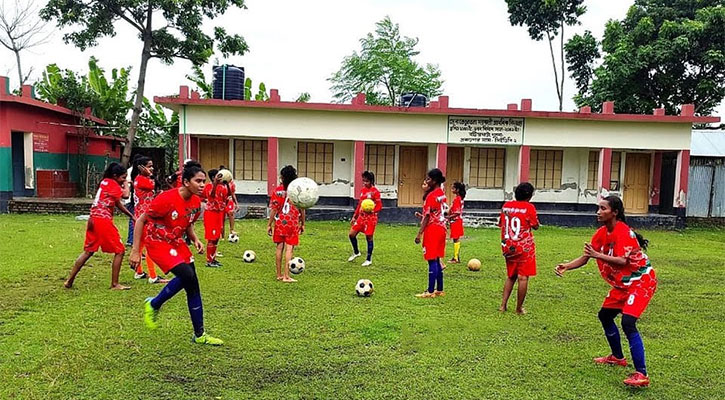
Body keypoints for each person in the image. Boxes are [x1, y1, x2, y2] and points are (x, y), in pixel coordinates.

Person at [555, 195, 656, 387]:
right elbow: (586, 257)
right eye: (598, 208)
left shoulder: (624, 232)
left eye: (603, 208)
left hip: (641, 281)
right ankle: (617, 357)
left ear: (615, 212)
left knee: (628, 322)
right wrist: (567, 266)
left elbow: (623, 261)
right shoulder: (601, 233)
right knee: (605, 316)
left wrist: (597, 255)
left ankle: (641, 374)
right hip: (623, 285)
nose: (598, 212)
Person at [130, 160, 223, 346]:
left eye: (204, 181)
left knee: (193, 285)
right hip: (157, 242)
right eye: (198, 181)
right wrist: (134, 251)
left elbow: (187, 223)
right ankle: (154, 304)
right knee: (188, 275)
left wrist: (195, 239)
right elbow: (140, 220)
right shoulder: (166, 199)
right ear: (186, 182)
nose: (202, 185)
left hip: (177, 242)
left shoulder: (196, 202)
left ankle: (200, 335)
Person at [64, 162, 134, 290]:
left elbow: (117, 203)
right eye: (122, 177)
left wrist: (131, 215)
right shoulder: (113, 184)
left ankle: (69, 281)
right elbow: (126, 195)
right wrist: (127, 182)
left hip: (93, 219)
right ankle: (115, 284)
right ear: (115, 176)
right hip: (103, 220)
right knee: (120, 251)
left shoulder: (105, 182)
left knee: (88, 251)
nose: (123, 180)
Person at [499, 182, 539, 314]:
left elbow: (501, 223)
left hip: (508, 246)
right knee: (523, 278)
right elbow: (535, 225)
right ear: (529, 196)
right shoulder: (529, 207)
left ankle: (503, 305)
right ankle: (518, 308)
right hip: (524, 247)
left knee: (511, 276)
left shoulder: (506, 206)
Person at [132, 156, 168, 284]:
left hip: (139, 216)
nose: (151, 168)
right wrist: (150, 175)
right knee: (149, 246)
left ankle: (139, 272)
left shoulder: (138, 179)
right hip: (145, 218)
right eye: (149, 166)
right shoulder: (144, 180)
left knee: (141, 245)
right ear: (141, 168)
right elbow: (156, 183)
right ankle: (153, 276)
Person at [267, 165, 306, 283]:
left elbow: (274, 208)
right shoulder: (297, 191)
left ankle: (279, 274)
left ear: (282, 177)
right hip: (292, 222)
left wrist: (269, 224)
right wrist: (303, 223)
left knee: (279, 247)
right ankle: (286, 276)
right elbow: (302, 208)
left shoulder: (277, 191)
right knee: (289, 248)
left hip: (279, 222)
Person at [414, 168, 447, 298]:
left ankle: (429, 291)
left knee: (431, 259)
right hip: (442, 228)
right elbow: (436, 213)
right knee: (437, 258)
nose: (426, 182)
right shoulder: (441, 194)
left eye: (428, 179)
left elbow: (428, 217)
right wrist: (421, 216)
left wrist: (419, 233)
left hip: (432, 229)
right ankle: (439, 289)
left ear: (435, 181)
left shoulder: (431, 196)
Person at [348, 171, 383, 266]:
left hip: (370, 219)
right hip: (361, 218)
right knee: (351, 234)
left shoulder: (375, 192)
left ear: (371, 181)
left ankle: (368, 259)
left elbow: (379, 206)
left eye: (366, 181)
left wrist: (372, 210)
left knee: (369, 237)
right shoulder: (363, 190)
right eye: (363, 181)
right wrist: (354, 217)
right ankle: (356, 252)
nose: (364, 183)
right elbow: (360, 205)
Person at [201, 168, 231, 268]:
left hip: (219, 213)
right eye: (218, 175)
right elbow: (211, 195)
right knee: (211, 238)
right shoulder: (209, 186)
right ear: (214, 178)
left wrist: (227, 183)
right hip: (211, 213)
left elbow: (228, 196)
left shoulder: (222, 187)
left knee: (217, 237)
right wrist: (215, 183)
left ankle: (213, 258)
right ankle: (209, 260)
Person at [448, 182, 466, 264]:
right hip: (457, 221)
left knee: (456, 238)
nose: (452, 190)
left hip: (456, 221)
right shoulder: (460, 198)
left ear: (457, 190)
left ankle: (456, 258)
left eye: (453, 188)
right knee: (456, 238)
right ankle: (456, 257)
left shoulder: (457, 199)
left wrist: (448, 217)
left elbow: (457, 212)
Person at [219, 165, 238, 241]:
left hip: (229, 200)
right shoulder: (217, 184)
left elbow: (232, 193)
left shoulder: (231, 183)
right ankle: (221, 235)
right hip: (220, 202)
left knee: (231, 213)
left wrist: (236, 203)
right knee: (221, 218)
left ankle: (232, 230)